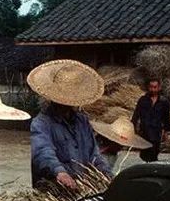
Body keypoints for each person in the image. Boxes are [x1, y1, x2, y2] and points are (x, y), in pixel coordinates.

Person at [26, 59, 112, 190]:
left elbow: (94, 154)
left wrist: (107, 174)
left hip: (81, 187)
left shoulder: (82, 121)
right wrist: (60, 172)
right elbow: (43, 152)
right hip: (54, 190)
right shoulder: (41, 123)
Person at [132, 78, 170, 162]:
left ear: (159, 88)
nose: (153, 89)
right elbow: (136, 115)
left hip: (156, 132)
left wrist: (165, 132)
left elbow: (166, 118)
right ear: (148, 87)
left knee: (154, 154)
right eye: (151, 87)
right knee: (144, 155)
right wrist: (133, 129)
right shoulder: (142, 100)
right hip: (144, 132)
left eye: (155, 87)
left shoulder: (164, 102)